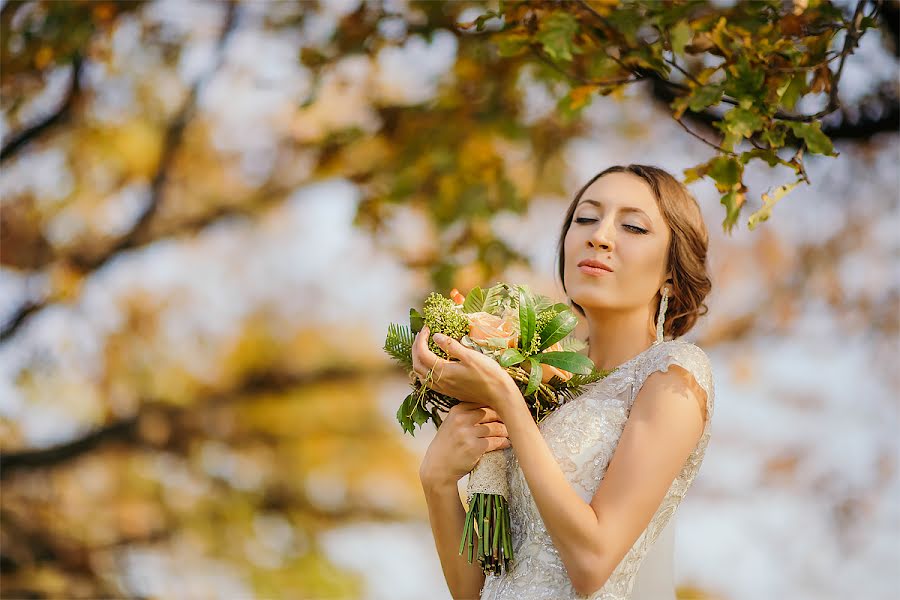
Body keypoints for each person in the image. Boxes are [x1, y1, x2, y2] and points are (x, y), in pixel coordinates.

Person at [413, 164, 715, 600]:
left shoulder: (675, 375)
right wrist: (438, 482)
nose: (600, 236)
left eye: (632, 226)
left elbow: (592, 564)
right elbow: (477, 588)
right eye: (586, 218)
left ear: (671, 270)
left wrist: (506, 401)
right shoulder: (545, 381)